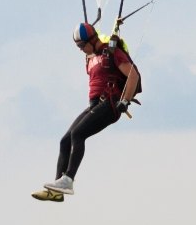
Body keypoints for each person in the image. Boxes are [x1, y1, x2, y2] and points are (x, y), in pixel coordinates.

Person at [38, 23, 141, 198]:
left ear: (92, 40)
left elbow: (133, 75)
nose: (79, 50)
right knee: (65, 141)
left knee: (78, 134)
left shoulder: (112, 53)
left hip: (110, 103)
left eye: (81, 45)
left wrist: (125, 100)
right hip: (95, 105)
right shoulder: (91, 57)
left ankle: (68, 180)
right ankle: (56, 191)